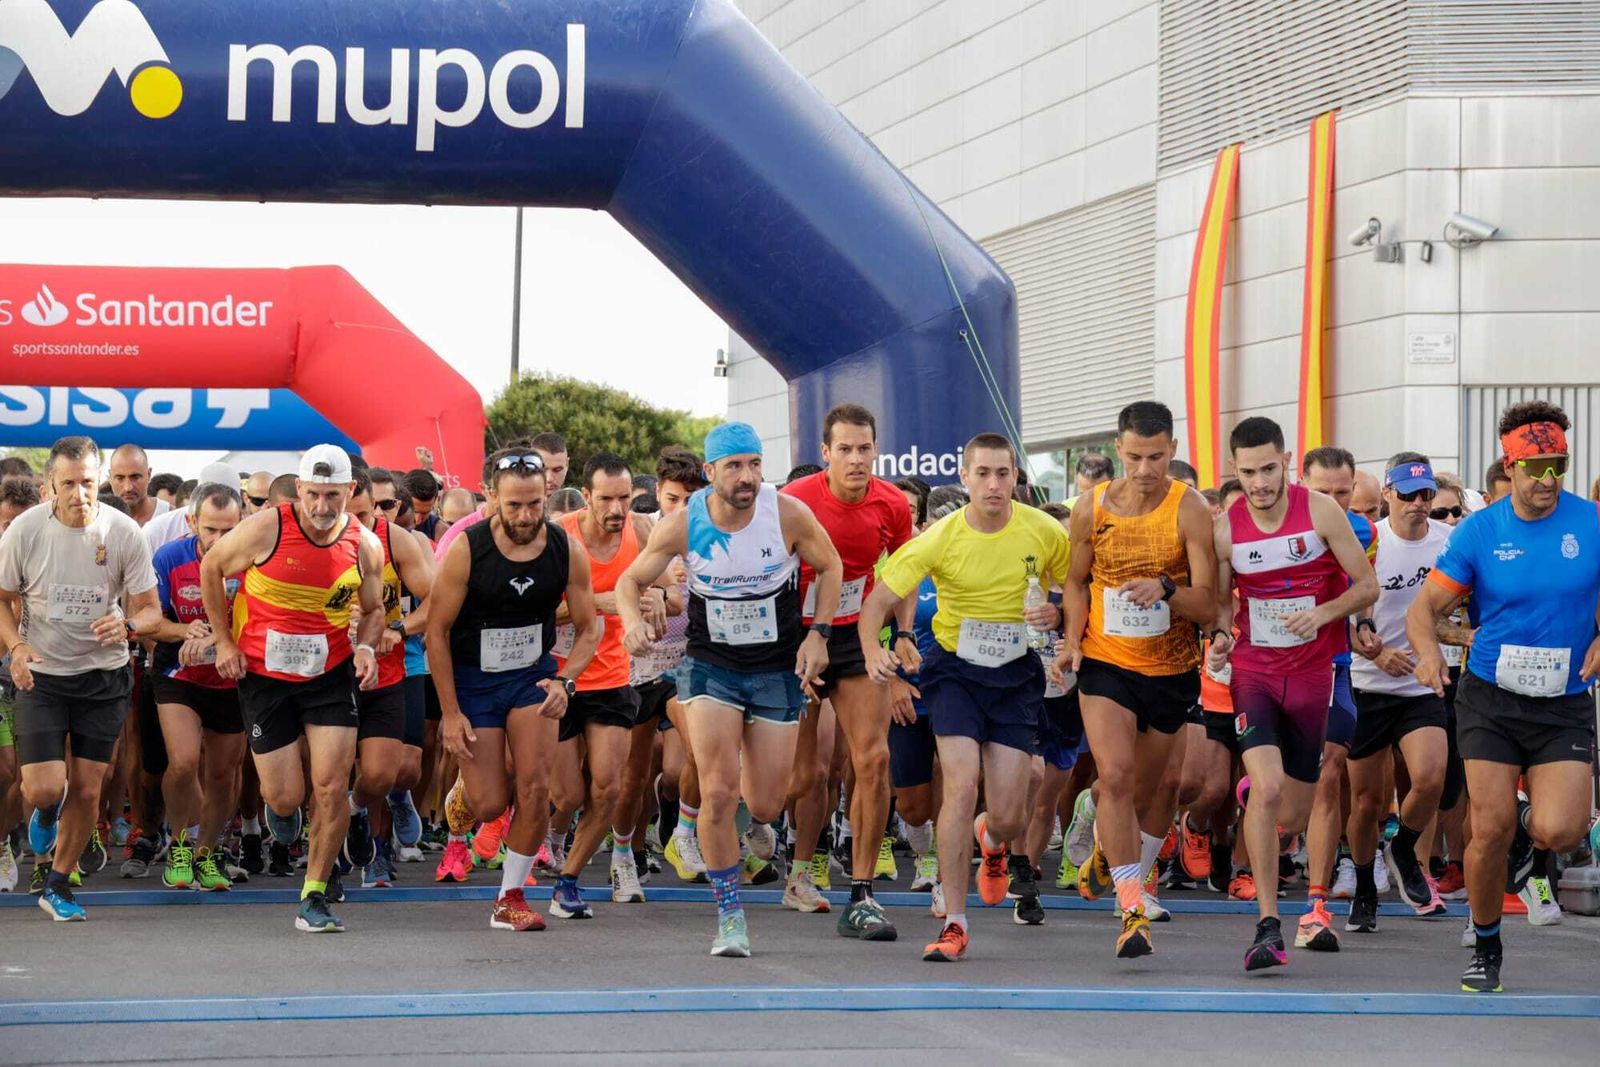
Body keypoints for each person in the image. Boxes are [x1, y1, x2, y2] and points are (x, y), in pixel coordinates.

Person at [617, 422, 842, 958]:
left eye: (755, 464)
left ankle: (743, 774)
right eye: (735, 466)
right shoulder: (685, 522)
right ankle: (730, 915)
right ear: (710, 471)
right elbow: (630, 580)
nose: (747, 477)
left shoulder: (786, 513)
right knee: (717, 791)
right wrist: (631, 622)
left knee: (766, 802)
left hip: (774, 667)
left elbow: (831, 565)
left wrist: (819, 633)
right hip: (710, 666)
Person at [1407, 400, 1600, 993]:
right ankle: (1487, 942)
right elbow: (1424, 610)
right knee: (1487, 830)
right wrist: (1430, 654)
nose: (1549, 479)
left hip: (1563, 698)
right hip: (1491, 697)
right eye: (1536, 468)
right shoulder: (1480, 531)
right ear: (1510, 467)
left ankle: (1527, 822)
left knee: (1563, 830)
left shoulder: (1591, 522)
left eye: (1559, 466)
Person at [861, 432, 1070, 963]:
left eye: (1003, 474)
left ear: (1016, 477)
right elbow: (878, 601)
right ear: (965, 476)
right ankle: (955, 921)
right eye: (983, 474)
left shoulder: (1045, 532)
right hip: (954, 671)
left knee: (1009, 817)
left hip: (1015, 675)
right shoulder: (941, 537)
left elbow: (1078, 587)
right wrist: (873, 652)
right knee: (959, 785)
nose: (994, 484)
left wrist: (1060, 614)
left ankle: (992, 840)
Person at [1208, 417, 1378, 971]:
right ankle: (1268, 925)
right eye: (1247, 472)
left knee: (1296, 815)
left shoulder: (1321, 512)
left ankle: (1258, 796)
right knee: (1268, 788)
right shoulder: (1226, 530)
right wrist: (1218, 639)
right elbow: (1221, 606)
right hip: (1254, 671)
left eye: (1268, 469)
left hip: (1311, 674)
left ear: (1285, 461)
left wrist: (1325, 614)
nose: (1259, 483)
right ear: (1233, 469)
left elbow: (1367, 586)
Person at [200, 445, 388, 934]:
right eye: (313, 495)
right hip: (265, 676)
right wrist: (223, 640)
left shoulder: (365, 544)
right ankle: (280, 812)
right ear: (299, 489)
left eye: (333, 496)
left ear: (350, 491)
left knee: (331, 785)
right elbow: (211, 567)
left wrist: (366, 648)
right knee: (285, 796)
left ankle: (314, 894)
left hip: (330, 673)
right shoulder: (267, 527)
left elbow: (374, 610)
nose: (322, 507)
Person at [1055, 402, 1215, 958]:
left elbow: (1208, 603)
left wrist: (1166, 590)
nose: (1145, 470)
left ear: (1173, 450)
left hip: (1171, 669)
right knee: (1118, 778)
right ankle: (1131, 910)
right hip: (1106, 662)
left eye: (1156, 457)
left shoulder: (1189, 508)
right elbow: (1075, 582)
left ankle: (1104, 837)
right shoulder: (1091, 506)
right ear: (1119, 450)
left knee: (1144, 792)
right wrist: (1073, 640)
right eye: (1135, 458)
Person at [427, 448, 599, 934]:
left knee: (536, 787)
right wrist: (450, 714)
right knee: (488, 804)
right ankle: (466, 793)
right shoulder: (468, 549)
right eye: (514, 505)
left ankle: (510, 898)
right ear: (491, 497)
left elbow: (589, 627)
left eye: (535, 504)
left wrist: (566, 679)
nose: (525, 516)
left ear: (547, 496)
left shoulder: (565, 549)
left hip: (531, 678)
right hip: (474, 681)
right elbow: (436, 632)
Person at [0, 436, 162, 921]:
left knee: (90, 787)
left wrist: (128, 625)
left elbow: (151, 610)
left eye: (88, 483)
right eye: (68, 484)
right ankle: (48, 812)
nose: (80, 494)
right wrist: (16, 648)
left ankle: (58, 883)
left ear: (99, 481)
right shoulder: (26, 530)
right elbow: (1, 598)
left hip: (103, 676)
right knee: (44, 788)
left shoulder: (123, 531)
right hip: (43, 676)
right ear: (50, 483)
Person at [781, 404, 915, 942]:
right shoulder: (796, 501)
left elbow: (903, 574)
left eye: (865, 449)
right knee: (804, 777)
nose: (856, 459)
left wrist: (903, 635)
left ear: (876, 450)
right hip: (799, 638)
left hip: (857, 636)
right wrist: (793, 642)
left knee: (873, 759)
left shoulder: (892, 503)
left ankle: (861, 894)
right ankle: (797, 867)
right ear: (826, 453)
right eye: (845, 449)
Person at [549, 453, 678, 916]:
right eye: (606, 499)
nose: (617, 509)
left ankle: (568, 882)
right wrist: (596, 605)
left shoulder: (642, 530)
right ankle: (555, 833)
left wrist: (659, 595)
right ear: (586, 496)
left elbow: (675, 595)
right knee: (568, 795)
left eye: (624, 498)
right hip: (559, 677)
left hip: (612, 679)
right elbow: (535, 611)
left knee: (609, 789)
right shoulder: (559, 536)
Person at [1346, 454, 1454, 933]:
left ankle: (1403, 847)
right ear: (1388, 494)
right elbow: (1340, 616)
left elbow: (1460, 609)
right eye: (1408, 494)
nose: (1418, 503)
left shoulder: (1448, 542)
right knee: (1367, 802)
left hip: (1420, 683)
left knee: (1430, 777)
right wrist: (1376, 654)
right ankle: (1364, 888)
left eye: (1426, 494)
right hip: (1367, 684)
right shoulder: (1369, 541)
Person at [141, 482, 248, 892]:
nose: (220, 540)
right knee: (184, 763)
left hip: (232, 677)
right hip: (178, 674)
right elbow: (150, 621)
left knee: (223, 773)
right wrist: (186, 631)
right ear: (192, 522)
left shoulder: (254, 561)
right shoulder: (169, 557)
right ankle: (179, 844)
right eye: (211, 530)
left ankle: (207, 852)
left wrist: (220, 638)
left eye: (229, 530)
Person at [1295, 446, 1379, 950]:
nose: (1333, 500)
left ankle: (1316, 905)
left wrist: (1363, 625)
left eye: (1342, 492)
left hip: (1331, 667)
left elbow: (1364, 588)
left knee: (1329, 775)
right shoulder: (1268, 527)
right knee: (1283, 796)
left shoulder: (1364, 532)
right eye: (1322, 491)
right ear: (1300, 483)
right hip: (1271, 668)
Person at [344, 469, 437, 887]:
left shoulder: (400, 541)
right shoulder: (315, 540)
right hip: (333, 670)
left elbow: (438, 600)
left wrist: (397, 630)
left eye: (380, 508)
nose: (365, 522)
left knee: (402, 771)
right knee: (346, 771)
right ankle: (367, 853)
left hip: (399, 663)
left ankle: (396, 802)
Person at [108, 445, 171, 528]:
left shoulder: (171, 517)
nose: (128, 488)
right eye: (120, 478)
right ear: (110, 478)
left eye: (135, 477)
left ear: (149, 475)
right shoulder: (99, 519)